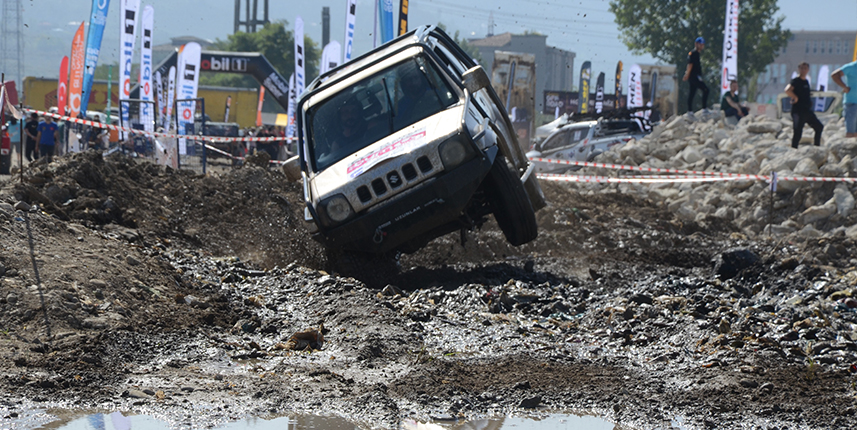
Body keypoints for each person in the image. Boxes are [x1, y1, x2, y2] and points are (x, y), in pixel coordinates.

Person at [785, 62, 823, 149]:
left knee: (819, 127)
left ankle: (816, 148)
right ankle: (794, 149)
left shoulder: (806, 81)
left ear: (808, 70)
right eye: (801, 68)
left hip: (806, 110)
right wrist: (795, 97)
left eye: (805, 68)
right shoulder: (795, 81)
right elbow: (787, 90)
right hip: (798, 111)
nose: (803, 70)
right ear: (798, 69)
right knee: (797, 131)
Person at [831, 60, 857, 138]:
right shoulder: (851, 67)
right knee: (850, 131)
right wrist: (844, 87)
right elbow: (834, 75)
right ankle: (849, 145)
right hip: (852, 102)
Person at [683, 36, 709, 113]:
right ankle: (704, 108)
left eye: (702, 44)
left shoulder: (697, 54)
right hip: (694, 76)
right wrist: (687, 74)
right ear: (696, 44)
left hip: (695, 76)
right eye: (700, 44)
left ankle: (690, 110)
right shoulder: (693, 53)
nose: (701, 46)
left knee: (692, 93)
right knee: (706, 90)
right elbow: (690, 65)